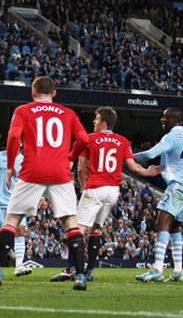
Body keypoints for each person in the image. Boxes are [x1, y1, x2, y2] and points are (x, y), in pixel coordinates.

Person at [0, 76, 89, 291]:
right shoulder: (68, 113)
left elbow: (13, 137)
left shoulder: (23, 111)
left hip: (32, 170)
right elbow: (84, 140)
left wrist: (10, 166)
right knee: (70, 222)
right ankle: (80, 276)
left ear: (33, 93)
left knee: (11, 220)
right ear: (54, 93)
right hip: (60, 172)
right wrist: (70, 158)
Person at [51, 106, 162, 282]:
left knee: (78, 229)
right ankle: (90, 271)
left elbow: (81, 169)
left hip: (95, 187)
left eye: (96, 119)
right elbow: (133, 167)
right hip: (112, 191)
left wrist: (85, 188)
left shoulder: (90, 138)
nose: (93, 122)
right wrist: (148, 172)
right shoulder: (122, 141)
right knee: (96, 229)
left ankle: (71, 269)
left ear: (103, 122)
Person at [135, 108, 183, 283]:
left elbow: (150, 154)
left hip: (177, 185)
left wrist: (127, 157)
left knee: (161, 222)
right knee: (175, 226)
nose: (162, 120)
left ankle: (157, 268)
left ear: (173, 119)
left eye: (165, 117)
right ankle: (178, 270)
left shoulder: (172, 136)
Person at [0, 147, 32, 277]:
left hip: (16, 202)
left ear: (21, 143)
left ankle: (19, 266)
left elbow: (31, 180)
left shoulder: (25, 160)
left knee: (20, 231)